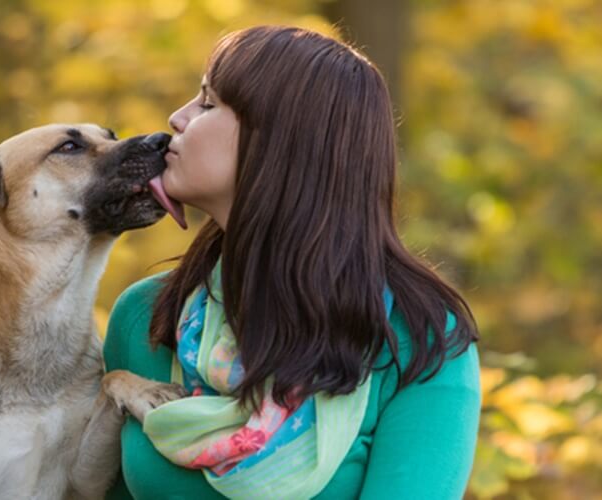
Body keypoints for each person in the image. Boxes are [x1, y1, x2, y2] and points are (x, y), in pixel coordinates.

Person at [104, 25, 481, 500]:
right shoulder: (145, 318)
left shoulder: (419, 338)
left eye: (208, 102)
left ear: (280, 140)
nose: (178, 118)